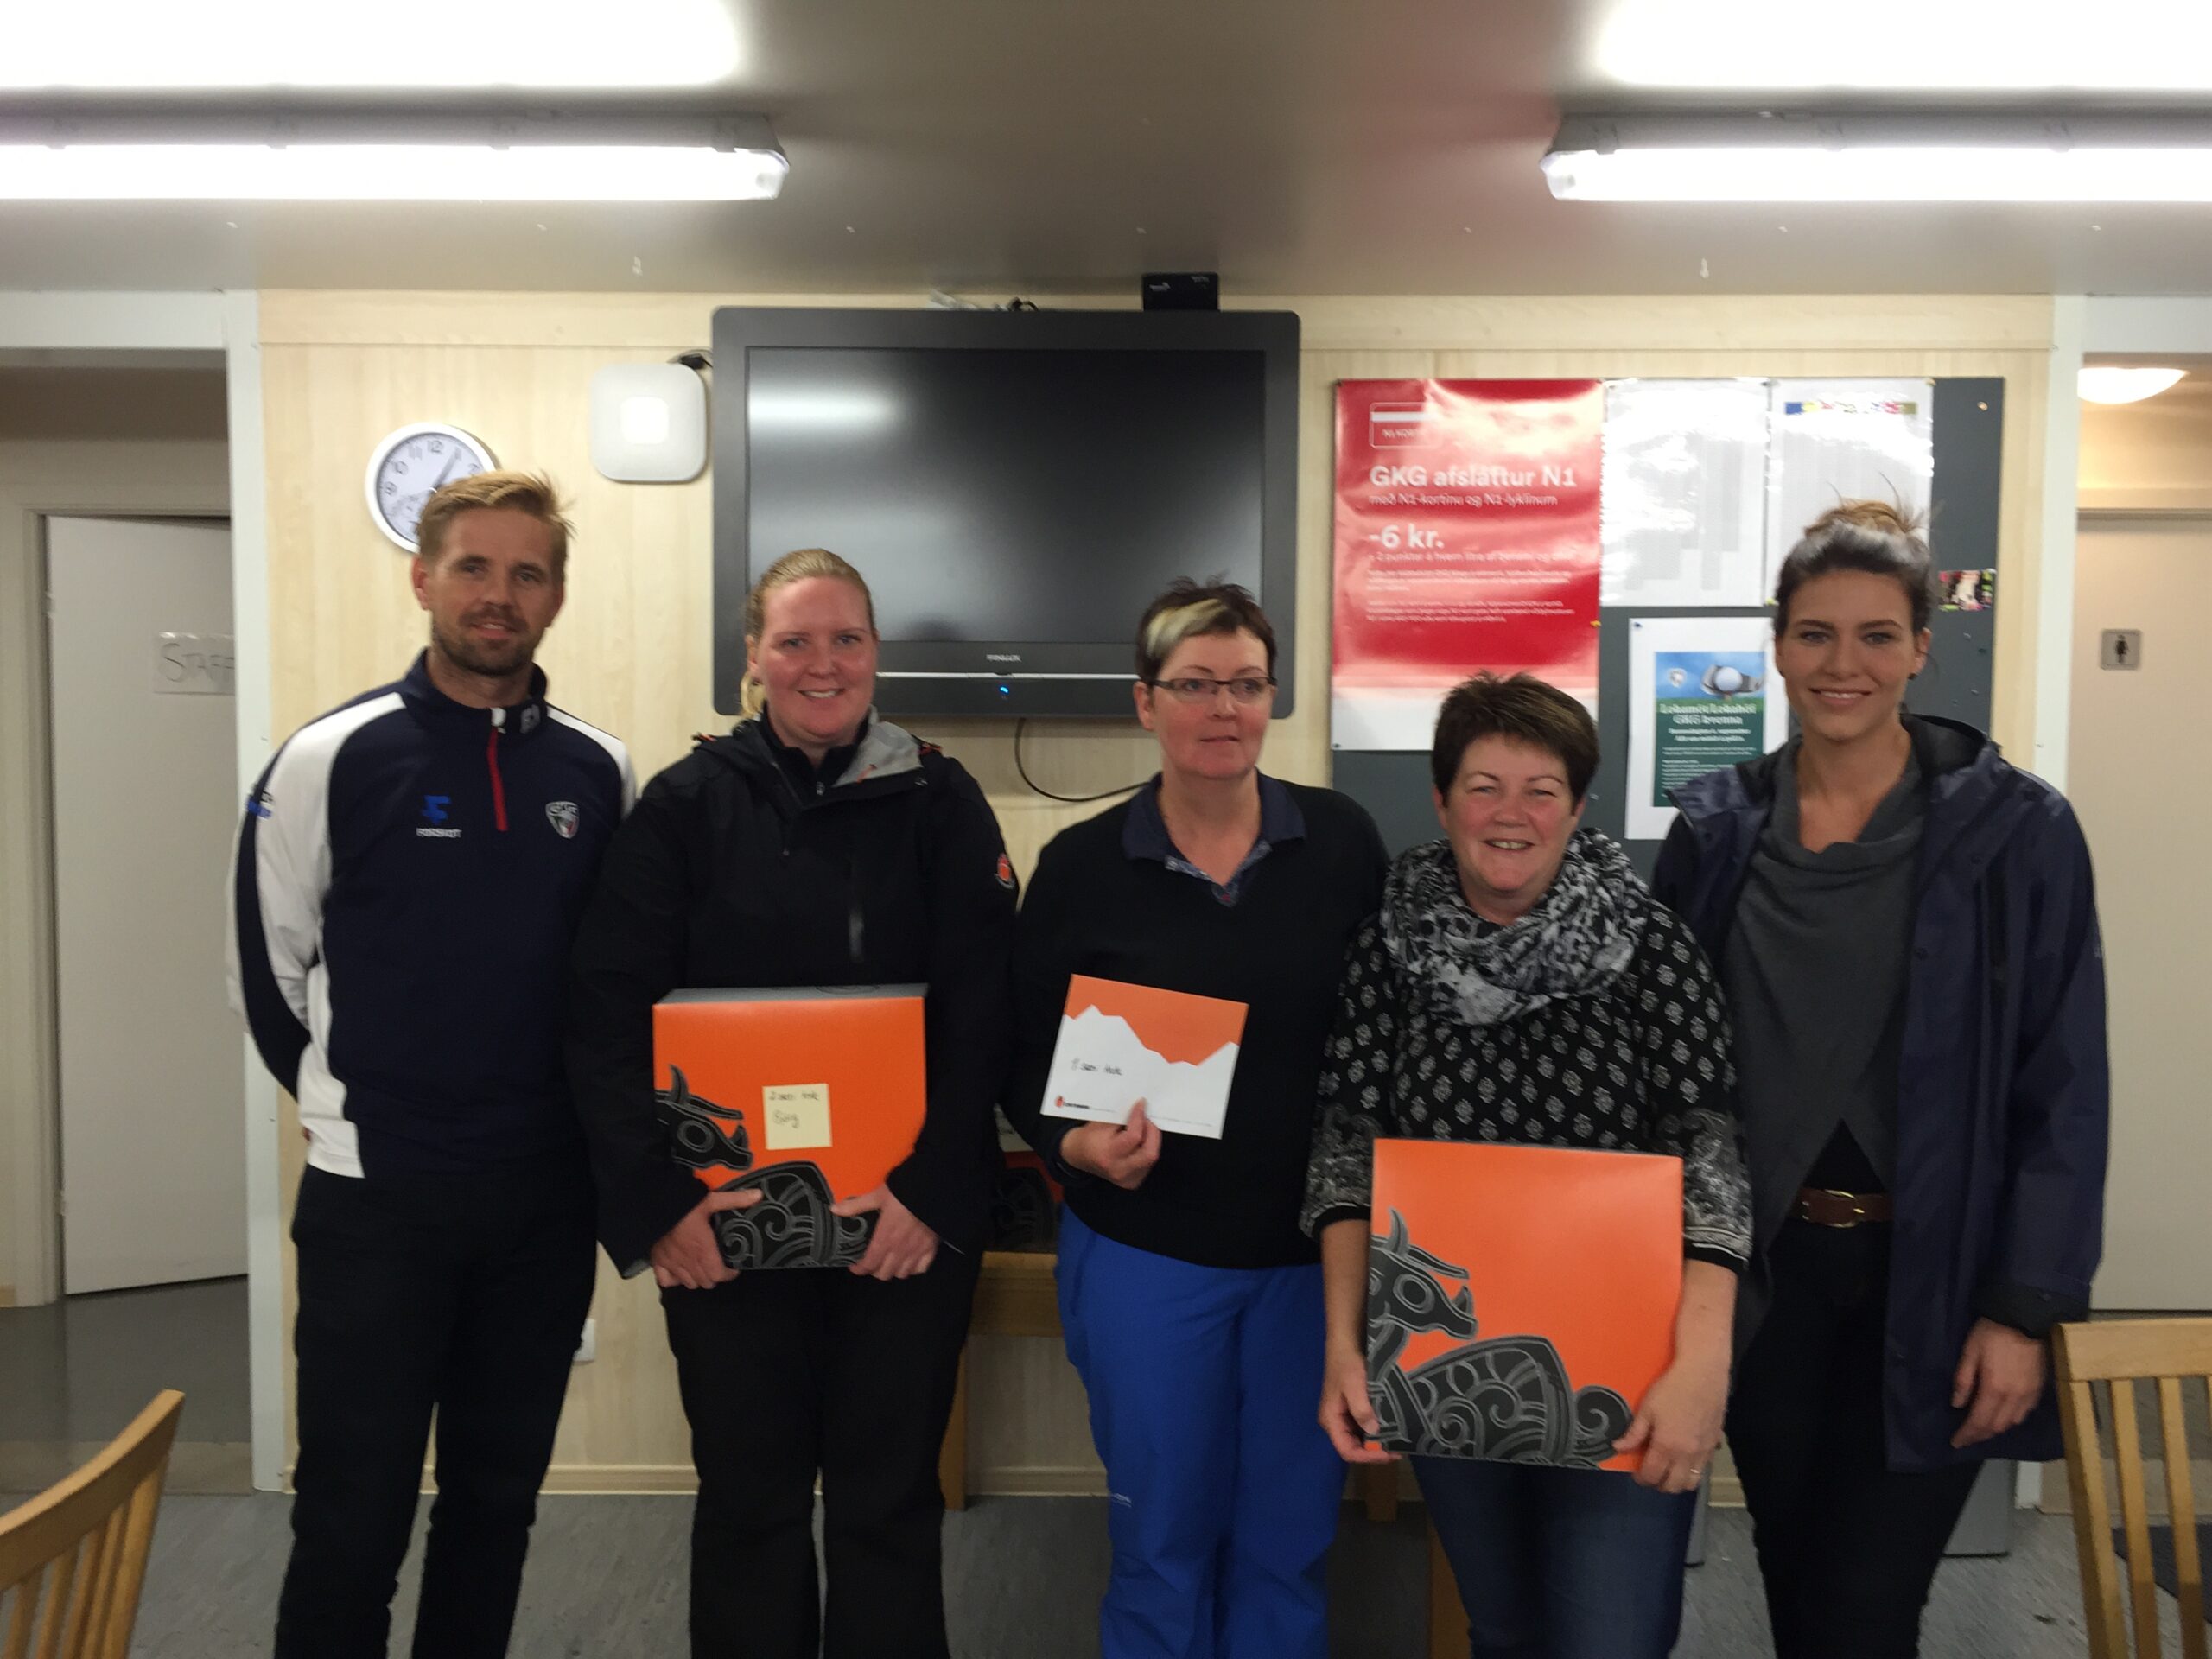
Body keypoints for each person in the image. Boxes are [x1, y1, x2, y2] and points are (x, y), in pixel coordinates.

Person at [1652, 501, 2108, 1659]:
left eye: (1874, 635)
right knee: (1796, 1579)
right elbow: (1665, 1070)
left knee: (1866, 1604)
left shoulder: (2017, 832)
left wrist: (2023, 1307)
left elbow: (2064, 1085)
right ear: (1777, 647)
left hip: (1938, 1281)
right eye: (1814, 634)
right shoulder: (1716, 833)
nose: (1841, 663)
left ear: (1919, 649)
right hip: (1766, 1279)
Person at [564, 547, 1017, 1659]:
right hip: (724, 1225)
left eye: (846, 639)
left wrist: (932, 1194)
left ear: (876, 653)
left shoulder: (942, 799)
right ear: (753, 658)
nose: (824, 664)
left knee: (888, 1504)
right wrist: (659, 1205)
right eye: (796, 641)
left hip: (899, 1223)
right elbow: (605, 1013)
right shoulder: (683, 807)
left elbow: (988, 1011)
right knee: (748, 1502)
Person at [227, 471, 633, 1659]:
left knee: (495, 1510)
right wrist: (354, 1106)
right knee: (349, 1519)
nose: (499, 595)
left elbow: (616, 981)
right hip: (378, 1203)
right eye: (474, 567)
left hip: (543, 1202)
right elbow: (267, 972)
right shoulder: (329, 757)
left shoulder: (602, 770)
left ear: (556, 595)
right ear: (422, 578)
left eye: (528, 573)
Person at [1302, 671, 1751, 1659]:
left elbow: (1710, 1158)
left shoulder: (1649, 946)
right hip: (1448, 1364)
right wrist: (1343, 1343)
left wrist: (1703, 1360)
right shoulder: (1388, 946)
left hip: (1624, 1365)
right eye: (1484, 787)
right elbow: (1346, 1152)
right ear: (1441, 800)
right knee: (1502, 1629)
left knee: (1609, 1639)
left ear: (1577, 808)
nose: (1511, 815)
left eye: (1541, 790)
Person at [1003, 580, 1389, 1659]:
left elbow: (1389, 1034)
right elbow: (1019, 1054)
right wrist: (1072, 1144)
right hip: (1144, 1254)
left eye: (1247, 685)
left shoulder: (1343, 843)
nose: (1224, 709)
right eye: (1194, 685)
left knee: (1287, 1541)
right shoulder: (1080, 867)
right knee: (1159, 1538)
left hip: (1310, 1262)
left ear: (1272, 699)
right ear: (1145, 702)